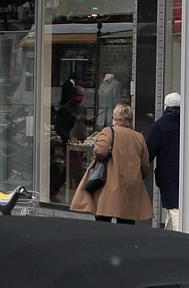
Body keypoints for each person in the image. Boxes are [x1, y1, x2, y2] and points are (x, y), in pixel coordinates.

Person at [70, 102, 153, 224]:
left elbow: (100, 152)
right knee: (126, 222)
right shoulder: (138, 137)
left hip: (109, 182)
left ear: (115, 118)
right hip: (131, 185)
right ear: (130, 120)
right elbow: (145, 164)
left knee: (104, 219)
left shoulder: (109, 131)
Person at [147, 91, 181, 230]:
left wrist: (142, 169)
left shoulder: (158, 126)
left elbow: (149, 152)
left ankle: (180, 236)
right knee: (174, 208)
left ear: (165, 106)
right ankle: (170, 235)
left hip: (167, 174)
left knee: (173, 207)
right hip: (188, 172)